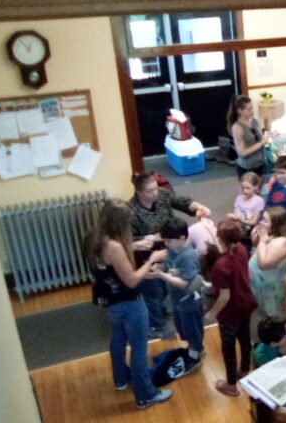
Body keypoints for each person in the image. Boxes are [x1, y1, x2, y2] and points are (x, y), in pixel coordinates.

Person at [82, 198, 173, 409]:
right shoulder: (114, 246)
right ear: (119, 223)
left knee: (118, 338)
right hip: (129, 302)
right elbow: (131, 279)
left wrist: (135, 245)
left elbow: (110, 259)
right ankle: (145, 395)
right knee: (139, 349)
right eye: (128, 221)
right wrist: (152, 259)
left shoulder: (93, 236)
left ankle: (121, 379)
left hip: (110, 301)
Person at [130, 172, 211, 339]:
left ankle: (160, 310)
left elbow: (184, 202)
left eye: (155, 189)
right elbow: (129, 240)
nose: (155, 194)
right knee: (152, 291)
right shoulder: (131, 211)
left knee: (167, 284)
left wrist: (198, 208)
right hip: (146, 256)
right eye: (149, 191)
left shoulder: (163, 195)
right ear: (138, 192)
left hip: (170, 249)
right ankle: (155, 325)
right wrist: (154, 237)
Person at [204, 220, 257, 397]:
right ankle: (244, 370)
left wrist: (212, 313)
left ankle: (231, 384)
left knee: (228, 347)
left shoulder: (221, 266)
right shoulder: (241, 248)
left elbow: (224, 296)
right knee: (244, 338)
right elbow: (224, 243)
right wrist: (209, 226)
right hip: (246, 302)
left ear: (221, 239)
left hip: (230, 311)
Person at [151, 217, 205, 375]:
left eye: (169, 241)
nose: (166, 244)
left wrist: (161, 275)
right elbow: (168, 266)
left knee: (192, 329)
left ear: (182, 238)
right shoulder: (173, 250)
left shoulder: (188, 257)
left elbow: (184, 283)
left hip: (189, 301)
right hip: (177, 301)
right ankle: (194, 348)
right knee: (183, 328)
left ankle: (195, 355)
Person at [249, 207, 286, 320]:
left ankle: (283, 330)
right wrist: (257, 234)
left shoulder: (283, 243)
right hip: (260, 284)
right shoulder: (272, 234)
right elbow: (255, 245)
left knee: (274, 315)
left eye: (265, 220)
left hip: (270, 288)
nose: (261, 222)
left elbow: (264, 264)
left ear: (276, 225)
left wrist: (263, 240)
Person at [252, 317, 286, 410]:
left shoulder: (280, 343)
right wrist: (283, 355)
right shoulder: (261, 355)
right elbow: (277, 376)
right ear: (274, 344)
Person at [227, 94, 270, 179]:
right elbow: (242, 152)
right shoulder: (237, 127)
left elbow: (260, 138)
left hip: (260, 163)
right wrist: (261, 143)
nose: (252, 111)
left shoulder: (254, 121)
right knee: (250, 191)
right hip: (248, 168)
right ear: (239, 110)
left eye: (252, 108)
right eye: (248, 109)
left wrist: (269, 134)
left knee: (258, 192)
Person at [228, 171, 265, 241]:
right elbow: (236, 213)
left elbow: (254, 222)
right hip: (240, 228)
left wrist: (240, 219)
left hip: (251, 231)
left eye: (248, 188)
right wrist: (233, 218)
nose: (245, 191)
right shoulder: (239, 198)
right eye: (243, 188)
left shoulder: (259, 201)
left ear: (256, 187)